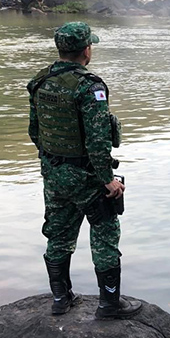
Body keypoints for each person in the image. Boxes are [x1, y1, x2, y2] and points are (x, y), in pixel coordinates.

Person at [28, 22, 142, 320]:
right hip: (87, 177)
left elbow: (34, 132)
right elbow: (98, 140)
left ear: (61, 49)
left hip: (53, 173)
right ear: (86, 50)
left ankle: (60, 298)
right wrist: (108, 181)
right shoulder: (89, 87)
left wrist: (55, 164)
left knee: (58, 234)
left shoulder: (40, 81)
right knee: (105, 233)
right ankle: (109, 304)